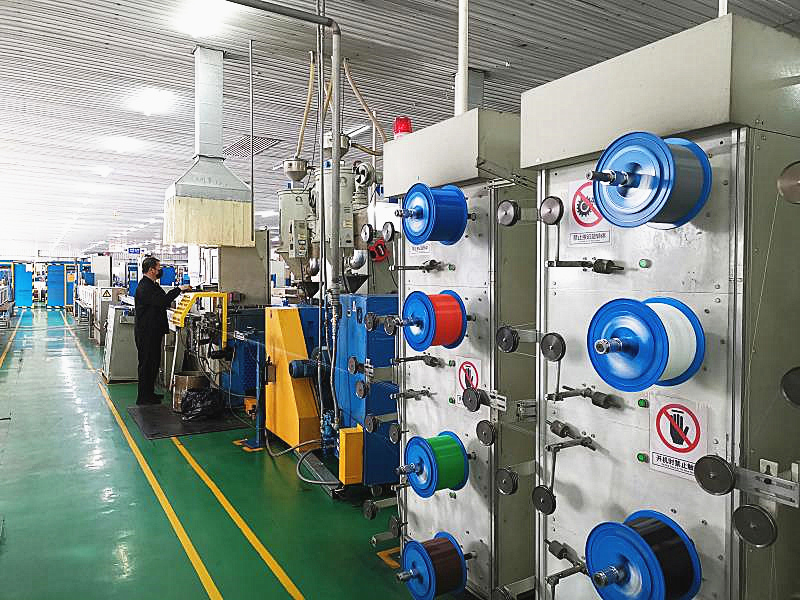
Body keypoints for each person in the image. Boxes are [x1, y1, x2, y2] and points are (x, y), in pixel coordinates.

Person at [134, 256, 192, 405]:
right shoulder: (145, 287)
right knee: (147, 364)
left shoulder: (152, 285)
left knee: (153, 363)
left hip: (152, 331)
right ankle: (143, 397)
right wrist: (179, 289)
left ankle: (149, 393)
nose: (160, 270)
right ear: (151, 270)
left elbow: (162, 300)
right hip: (147, 333)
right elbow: (163, 301)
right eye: (158, 268)